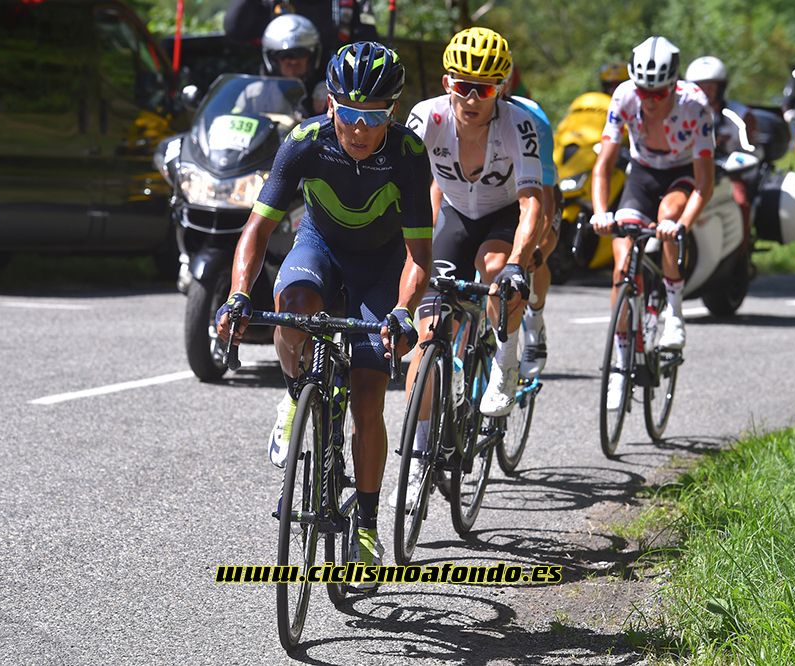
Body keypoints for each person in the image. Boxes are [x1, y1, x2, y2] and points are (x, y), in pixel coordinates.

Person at [215, 41, 433, 575]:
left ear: (393, 112)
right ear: (330, 104)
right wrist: (238, 295)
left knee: (367, 399)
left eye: (373, 117)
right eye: (349, 114)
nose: (359, 129)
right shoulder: (304, 143)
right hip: (320, 246)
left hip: (381, 267)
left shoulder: (406, 153)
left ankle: (366, 522)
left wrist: (403, 311)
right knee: (292, 305)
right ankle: (297, 395)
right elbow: (258, 229)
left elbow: (418, 255)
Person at [391, 26, 544, 506]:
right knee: (426, 331)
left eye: (485, 88)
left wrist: (519, 263)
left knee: (496, 267)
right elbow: (402, 182)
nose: (472, 97)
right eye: (463, 85)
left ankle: (505, 359)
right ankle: (417, 462)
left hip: (501, 217)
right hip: (456, 215)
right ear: (446, 82)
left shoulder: (519, 124)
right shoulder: (427, 117)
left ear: (501, 89)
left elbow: (533, 202)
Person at [591, 36, 715, 411]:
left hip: (682, 175)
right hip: (642, 175)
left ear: (673, 86)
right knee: (622, 259)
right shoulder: (625, 97)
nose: (650, 99)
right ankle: (620, 362)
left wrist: (682, 225)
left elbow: (705, 183)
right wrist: (600, 212)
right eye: (645, 91)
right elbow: (603, 167)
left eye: (659, 93)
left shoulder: (695, 105)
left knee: (667, 220)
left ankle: (674, 311)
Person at [504, 91, 560, 378]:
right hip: (492, 198)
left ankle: (535, 320)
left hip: (535, 192)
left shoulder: (531, 117)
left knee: (536, 254)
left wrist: (536, 247)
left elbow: (545, 194)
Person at [685, 55, 757, 246]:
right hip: (690, 169)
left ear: (721, 87)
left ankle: (742, 250)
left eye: (711, 86)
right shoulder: (680, 113)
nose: (706, 91)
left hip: (728, 172)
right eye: (700, 86)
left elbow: (751, 148)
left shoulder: (739, 115)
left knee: (740, 201)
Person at [223, 0, 378, 69]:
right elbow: (236, 30)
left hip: (329, 100)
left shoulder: (349, 4)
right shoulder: (274, 3)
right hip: (275, 94)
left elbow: (369, 52)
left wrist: (338, 86)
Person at [232, 14, 327, 116]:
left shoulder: (328, 94)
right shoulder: (254, 95)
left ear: (313, 56)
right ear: (273, 59)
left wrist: (329, 105)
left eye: (301, 53)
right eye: (285, 55)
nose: (293, 61)